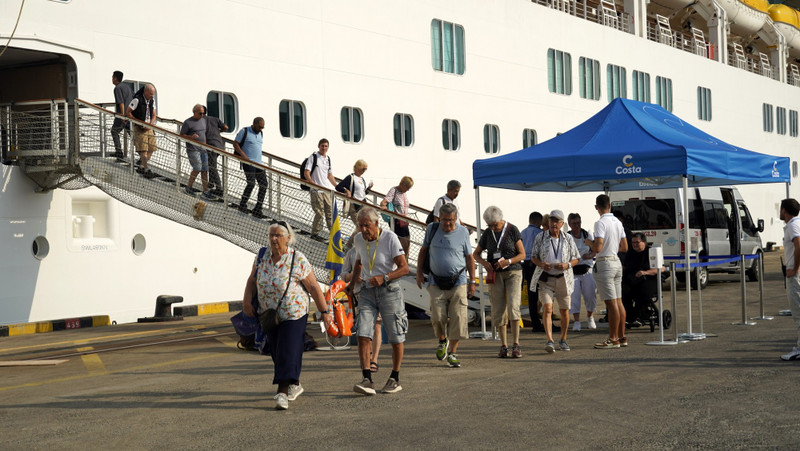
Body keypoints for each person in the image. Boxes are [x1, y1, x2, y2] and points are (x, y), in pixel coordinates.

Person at [241, 221, 332, 410]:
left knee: (287, 349)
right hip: (268, 314)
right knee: (275, 350)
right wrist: (246, 301)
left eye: (278, 235)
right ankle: (295, 384)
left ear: (288, 238)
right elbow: (252, 279)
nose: (274, 239)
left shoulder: (297, 259)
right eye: (271, 235)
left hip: (294, 312)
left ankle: (281, 392)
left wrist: (324, 312)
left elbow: (314, 287)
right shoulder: (262, 255)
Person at [350, 207, 410, 395]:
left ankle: (395, 377)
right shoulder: (359, 239)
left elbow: (404, 268)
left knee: (395, 335)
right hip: (367, 290)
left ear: (376, 223)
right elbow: (358, 262)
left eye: (366, 226)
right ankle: (367, 378)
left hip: (389, 290)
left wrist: (384, 277)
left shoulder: (390, 238)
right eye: (360, 226)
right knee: (362, 332)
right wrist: (352, 284)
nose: (363, 230)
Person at [416, 203, 475, 368]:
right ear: (439, 218)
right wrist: (419, 273)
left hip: (459, 281)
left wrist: (472, 281)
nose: (447, 224)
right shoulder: (432, 229)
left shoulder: (463, 232)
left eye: (451, 220)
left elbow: (469, 258)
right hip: (436, 281)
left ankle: (453, 353)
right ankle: (443, 339)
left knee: (458, 317)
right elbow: (423, 251)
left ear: (456, 218)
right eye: (444, 220)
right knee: (437, 317)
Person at [473, 206, 526, 358]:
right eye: (489, 225)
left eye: (494, 225)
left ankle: (516, 344)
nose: (492, 228)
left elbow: (522, 254)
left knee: (513, 305)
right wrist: (484, 263)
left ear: (500, 220)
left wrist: (508, 261)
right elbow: (475, 254)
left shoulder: (512, 229)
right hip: (495, 274)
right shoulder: (488, 233)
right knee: (498, 308)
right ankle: (503, 345)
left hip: (513, 272)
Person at [530, 210, 580, 353]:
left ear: (562, 223)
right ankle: (550, 340)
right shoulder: (540, 237)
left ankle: (563, 339)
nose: (554, 224)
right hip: (546, 279)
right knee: (547, 308)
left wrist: (567, 265)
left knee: (564, 311)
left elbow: (576, 258)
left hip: (563, 279)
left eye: (557, 221)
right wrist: (541, 264)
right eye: (552, 221)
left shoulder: (568, 238)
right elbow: (533, 256)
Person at [587, 194, 628, 349]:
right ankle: (621, 336)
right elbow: (624, 247)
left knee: (611, 304)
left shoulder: (600, 223)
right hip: (616, 261)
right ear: (610, 205)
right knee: (618, 301)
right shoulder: (617, 222)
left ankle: (613, 338)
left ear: (597, 207)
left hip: (605, 264)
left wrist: (588, 242)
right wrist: (611, 248)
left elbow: (597, 247)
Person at [342, 246, 382, 373]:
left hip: (378, 291)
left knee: (376, 325)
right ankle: (368, 356)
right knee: (364, 327)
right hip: (360, 293)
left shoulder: (378, 249)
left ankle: (374, 359)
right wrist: (354, 276)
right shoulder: (352, 253)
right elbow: (343, 275)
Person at [232, 117, 268, 219]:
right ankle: (242, 204)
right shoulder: (245, 131)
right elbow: (235, 143)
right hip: (248, 162)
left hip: (258, 163)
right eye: (260, 127)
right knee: (251, 183)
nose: (261, 129)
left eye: (262, 127)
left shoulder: (260, 133)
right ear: (254, 124)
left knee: (264, 184)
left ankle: (258, 208)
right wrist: (243, 156)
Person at [304, 138, 338, 242]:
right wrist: (311, 183)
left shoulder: (328, 159)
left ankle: (333, 235)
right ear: (319, 146)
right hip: (316, 190)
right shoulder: (313, 157)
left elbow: (329, 175)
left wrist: (337, 186)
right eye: (322, 146)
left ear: (328, 147)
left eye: (326, 146)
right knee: (319, 212)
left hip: (326, 190)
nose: (324, 148)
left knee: (329, 212)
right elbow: (306, 172)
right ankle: (315, 233)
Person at [567, 213, 597, 331]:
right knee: (574, 297)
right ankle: (577, 321)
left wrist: (589, 255)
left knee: (590, 295)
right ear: (569, 224)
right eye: (574, 223)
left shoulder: (587, 235)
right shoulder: (567, 237)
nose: (577, 225)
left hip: (586, 269)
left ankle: (590, 317)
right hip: (573, 271)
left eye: (578, 223)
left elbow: (596, 249)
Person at [622, 232, 659, 328]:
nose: (634, 244)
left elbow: (661, 269)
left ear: (644, 242)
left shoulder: (651, 252)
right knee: (623, 292)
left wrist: (645, 272)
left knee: (642, 292)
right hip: (632, 279)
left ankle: (640, 316)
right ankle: (629, 318)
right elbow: (625, 267)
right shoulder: (630, 253)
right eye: (633, 242)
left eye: (637, 242)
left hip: (648, 278)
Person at [780, 198, 800, 361]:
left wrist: (795, 268)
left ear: (785, 210)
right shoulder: (797, 223)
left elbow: (799, 244)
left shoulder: (793, 225)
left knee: (798, 311)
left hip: (795, 274)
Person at [180, 104, 214, 200]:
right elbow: (182, 135)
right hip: (193, 149)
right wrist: (191, 137)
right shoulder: (188, 122)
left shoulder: (203, 120)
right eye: (200, 113)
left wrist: (206, 146)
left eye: (203, 113)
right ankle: (188, 187)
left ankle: (205, 191)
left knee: (204, 170)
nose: (202, 115)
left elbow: (203, 134)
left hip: (203, 149)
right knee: (197, 168)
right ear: (194, 112)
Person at [521, 211, 547, 332]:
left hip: (524, 264)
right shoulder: (540, 233)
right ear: (538, 222)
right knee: (542, 292)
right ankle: (542, 323)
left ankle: (535, 323)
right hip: (536, 265)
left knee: (531, 295)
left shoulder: (522, 233)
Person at [125, 83, 157, 177]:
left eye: (153, 94)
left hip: (149, 127)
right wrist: (139, 123)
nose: (152, 96)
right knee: (143, 149)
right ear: (145, 92)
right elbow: (128, 112)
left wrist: (150, 124)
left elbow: (154, 115)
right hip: (139, 128)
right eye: (151, 94)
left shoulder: (152, 101)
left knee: (151, 147)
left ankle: (143, 165)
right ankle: (146, 168)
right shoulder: (137, 100)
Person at [380, 176, 414, 257]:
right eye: (407, 187)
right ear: (402, 184)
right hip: (397, 220)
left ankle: (405, 262)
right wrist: (384, 206)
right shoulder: (394, 190)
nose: (408, 189)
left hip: (404, 220)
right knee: (401, 243)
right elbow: (384, 202)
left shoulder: (403, 193)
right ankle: (399, 261)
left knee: (407, 242)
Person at [336, 159, 373, 227]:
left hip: (362, 204)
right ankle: (355, 237)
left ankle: (355, 237)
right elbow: (338, 187)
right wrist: (346, 191)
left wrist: (368, 188)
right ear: (358, 168)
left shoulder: (362, 179)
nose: (364, 171)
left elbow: (362, 193)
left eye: (365, 169)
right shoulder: (350, 177)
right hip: (353, 205)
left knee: (365, 224)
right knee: (360, 225)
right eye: (363, 169)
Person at [202, 106, 228, 197]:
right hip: (219, 145)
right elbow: (226, 127)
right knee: (211, 163)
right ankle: (211, 183)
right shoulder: (215, 119)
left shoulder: (200, 121)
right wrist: (218, 132)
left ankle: (219, 188)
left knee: (212, 166)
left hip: (210, 145)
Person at [110, 71, 133, 161]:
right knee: (132, 135)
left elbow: (121, 103)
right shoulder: (127, 87)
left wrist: (122, 116)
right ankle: (142, 155)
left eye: (112, 77)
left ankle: (119, 153)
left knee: (114, 131)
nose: (112, 79)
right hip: (130, 114)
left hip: (122, 115)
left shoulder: (117, 88)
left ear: (115, 78)